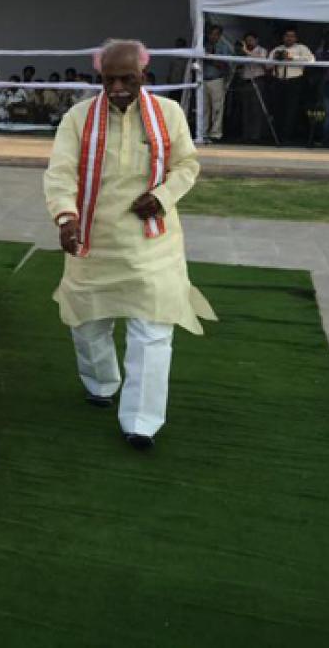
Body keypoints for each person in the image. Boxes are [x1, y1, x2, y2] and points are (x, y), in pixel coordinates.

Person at [43, 39, 216, 450]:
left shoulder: (169, 114)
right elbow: (60, 172)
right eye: (109, 79)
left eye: (127, 78)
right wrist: (65, 217)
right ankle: (101, 383)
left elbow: (187, 164)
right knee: (87, 324)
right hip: (92, 238)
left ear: (144, 75)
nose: (118, 86)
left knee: (152, 331)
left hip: (151, 241)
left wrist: (163, 196)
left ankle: (141, 422)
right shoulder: (78, 117)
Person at [268, 28, 315, 144]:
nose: (289, 38)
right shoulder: (277, 49)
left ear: (296, 38)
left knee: (292, 110)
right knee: (278, 109)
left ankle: (288, 136)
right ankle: (277, 136)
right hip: (279, 81)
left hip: (295, 81)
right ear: (283, 37)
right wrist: (275, 59)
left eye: (292, 36)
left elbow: (312, 61)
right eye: (286, 36)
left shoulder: (301, 48)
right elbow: (267, 66)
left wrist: (292, 58)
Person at [232, 33, 269, 143]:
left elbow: (262, 61)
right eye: (247, 40)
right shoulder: (242, 52)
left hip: (257, 80)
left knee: (256, 109)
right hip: (245, 81)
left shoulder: (261, 50)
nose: (249, 43)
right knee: (245, 109)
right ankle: (245, 135)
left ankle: (255, 136)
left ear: (257, 40)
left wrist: (246, 52)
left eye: (251, 40)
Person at [202, 24, 234, 143]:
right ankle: (202, 132)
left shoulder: (224, 47)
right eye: (211, 34)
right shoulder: (203, 45)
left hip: (217, 79)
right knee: (204, 108)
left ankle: (216, 133)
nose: (212, 36)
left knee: (217, 108)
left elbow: (227, 65)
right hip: (203, 79)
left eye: (215, 34)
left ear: (220, 35)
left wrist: (212, 59)